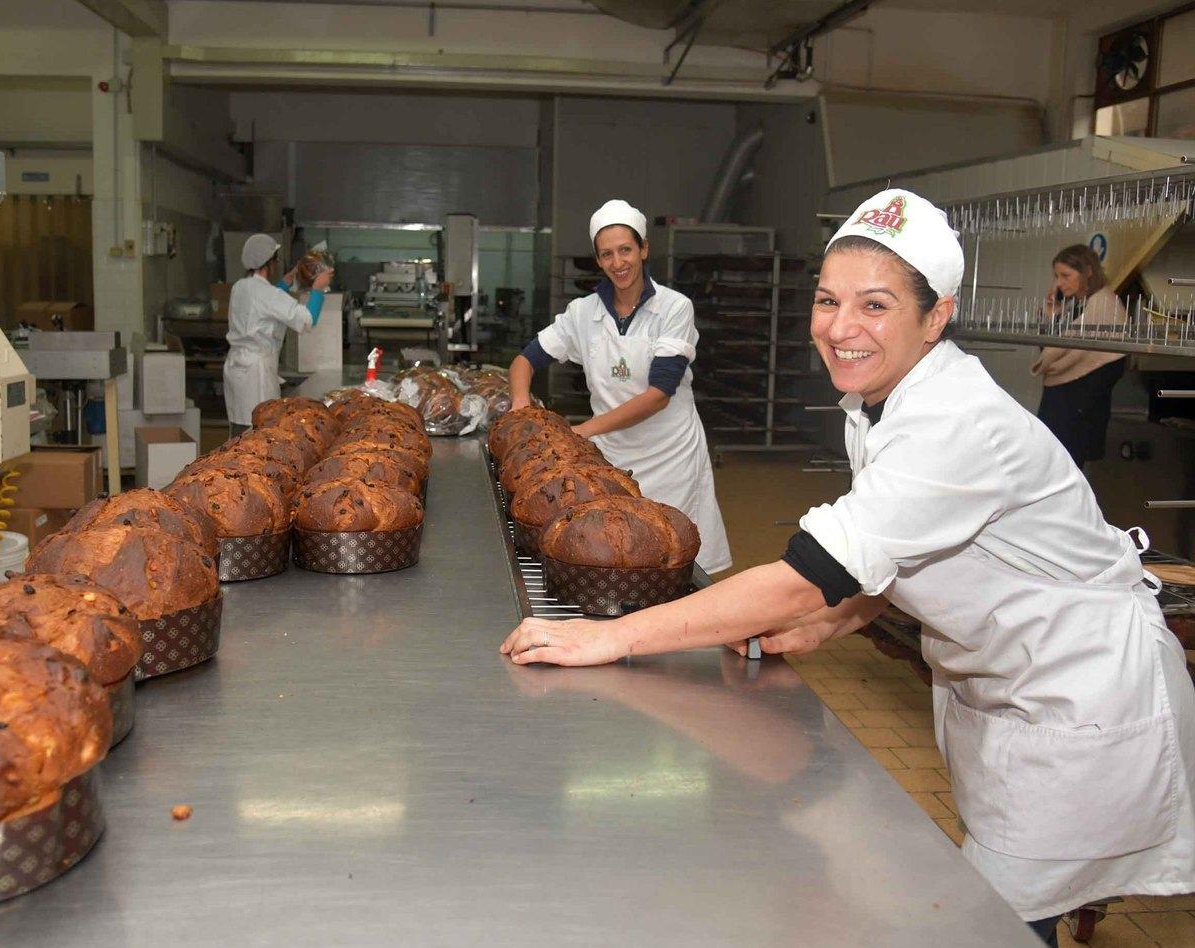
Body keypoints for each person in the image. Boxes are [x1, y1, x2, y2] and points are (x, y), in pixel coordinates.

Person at [501, 188, 1195, 947]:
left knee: (992, 923)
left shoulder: (953, 422)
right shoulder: (881, 399)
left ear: (936, 316)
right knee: (998, 901)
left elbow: (805, 572)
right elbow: (906, 544)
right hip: (1007, 690)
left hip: (1082, 690)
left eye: (875, 305)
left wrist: (611, 638)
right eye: (828, 300)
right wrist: (839, 614)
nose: (840, 328)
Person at [509, 199, 731, 575]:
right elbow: (525, 360)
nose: (618, 262)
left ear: (644, 249)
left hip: (670, 453)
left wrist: (578, 432)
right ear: (597, 260)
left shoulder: (674, 308)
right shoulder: (583, 313)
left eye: (626, 250)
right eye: (607, 254)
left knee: (673, 553)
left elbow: (659, 395)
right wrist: (519, 406)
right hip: (610, 458)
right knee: (617, 550)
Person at [223, 234, 333, 430]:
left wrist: (284, 284)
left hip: (237, 367)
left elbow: (262, 307)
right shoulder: (268, 294)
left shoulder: (240, 287)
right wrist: (318, 288)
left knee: (239, 429)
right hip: (257, 373)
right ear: (270, 262)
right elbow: (307, 320)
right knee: (259, 430)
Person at [1032, 244, 1127, 467]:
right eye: (1056, 276)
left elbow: (1110, 365)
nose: (1059, 283)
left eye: (1066, 275)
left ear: (1088, 272)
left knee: (1067, 469)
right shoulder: (1076, 306)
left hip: (1079, 408)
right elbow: (1051, 351)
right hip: (1067, 402)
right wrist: (1053, 315)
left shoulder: (1104, 307)